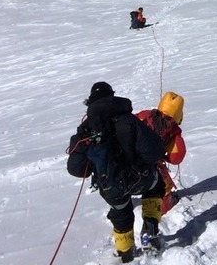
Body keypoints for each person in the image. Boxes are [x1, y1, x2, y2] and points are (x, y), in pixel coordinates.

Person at [66, 82, 167, 262]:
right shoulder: (129, 120)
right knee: (156, 186)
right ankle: (150, 229)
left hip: (111, 186)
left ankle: (125, 252)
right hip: (141, 179)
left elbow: (76, 170)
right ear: (112, 96)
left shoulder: (85, 130)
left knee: (121, 211)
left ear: (90, 102)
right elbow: (155, 152)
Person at [135, 91, 187, 236]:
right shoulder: (173, 131)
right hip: (152, 165)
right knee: (164, 185)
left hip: (130, 160)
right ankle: (165, 204)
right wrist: (166, 157)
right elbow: (177, 156)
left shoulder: (144, 115)